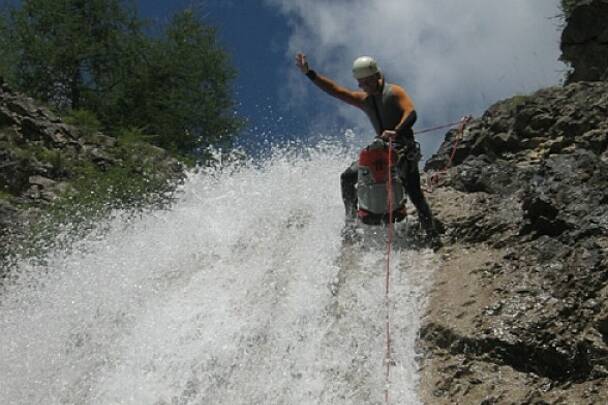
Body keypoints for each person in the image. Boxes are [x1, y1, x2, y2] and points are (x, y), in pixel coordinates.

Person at [295, 52, 441, 247]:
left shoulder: (394, 92)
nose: (360, 86)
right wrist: (309, 73)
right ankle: (351, 221)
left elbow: (411, 113)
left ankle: (432, 235)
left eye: (363, 82)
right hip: (381, 151)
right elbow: (336, 91)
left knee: (415, 192)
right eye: (359, 83)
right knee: (347, 177)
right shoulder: (365, 100)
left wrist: (396, 132)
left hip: (403, 150)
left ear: (374, 78)